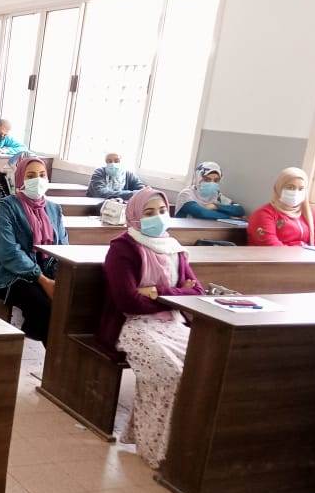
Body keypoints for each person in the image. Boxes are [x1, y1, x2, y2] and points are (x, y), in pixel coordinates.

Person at [97, 188, 204, 468]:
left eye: (162, 211)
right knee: (172, 373)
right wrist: (177, 293)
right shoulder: (122, 248)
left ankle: (186, 445)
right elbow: (128, 301)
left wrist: (156, 292)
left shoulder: (173, 247)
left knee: (203, 368)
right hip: (132, 326)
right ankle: (156, 447)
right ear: (135, 216)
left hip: (173, 324)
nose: (157, 217)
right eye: (149, 212)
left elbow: (198, 292)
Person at [0, 155, 68, 344]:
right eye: (30, 176)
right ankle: (55, 356)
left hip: (46, 272)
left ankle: (61, 355)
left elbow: (62, 248)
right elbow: (8, 252)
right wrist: (43, 280)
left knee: (72, 304)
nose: (37, 180)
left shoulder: (54, 209)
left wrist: (59, 279)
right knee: (45, 307)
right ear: (20, 178)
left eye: (42, 175)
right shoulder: (4, 208)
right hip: (9, 275)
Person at [248, 167, 315, 247]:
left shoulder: (309, 214)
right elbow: (272, 247)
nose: (296, 192)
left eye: (301, 189)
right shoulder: (263, 214)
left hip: (304, 254)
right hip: (273, 255)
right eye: (290, 187)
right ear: (279, 188)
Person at [174, 162, 246, 220]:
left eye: (216, 180)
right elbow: (202, 213)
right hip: (183, 231)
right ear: (198, 178)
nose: (212, 183)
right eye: (207, 179)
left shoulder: (216, 196)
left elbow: (239, 210)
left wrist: (216, 206)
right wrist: (230, 217)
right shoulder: (186, 194)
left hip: (205, 231)